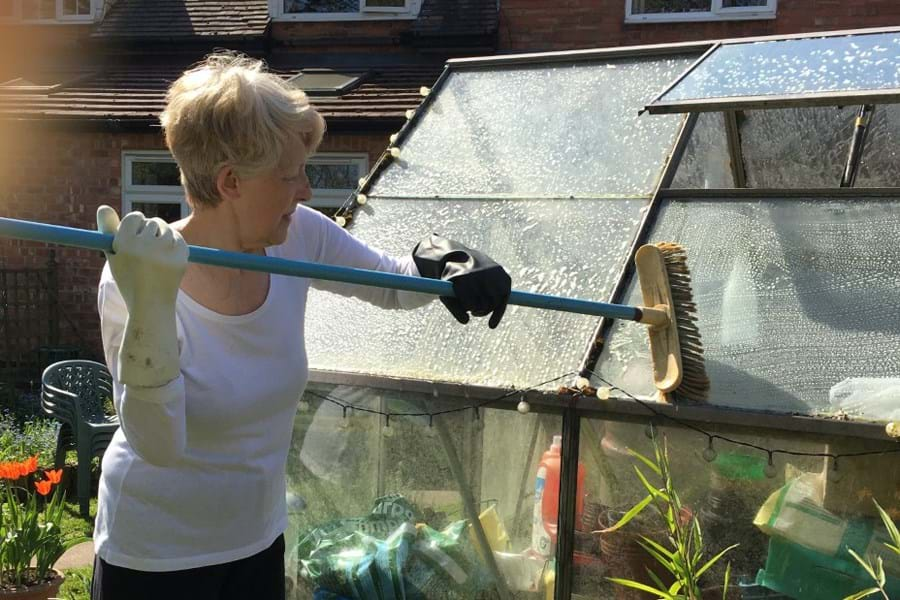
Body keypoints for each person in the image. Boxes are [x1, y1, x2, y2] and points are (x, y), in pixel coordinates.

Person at [91, 52, 511, 600]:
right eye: (290, 175)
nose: (306, 191)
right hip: (154, 554)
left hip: (257, 539)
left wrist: (446, 260)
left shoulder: (298, 235)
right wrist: (151, 308)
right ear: (231, 181)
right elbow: (160, 444)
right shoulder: (136, 277)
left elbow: (391, 283)